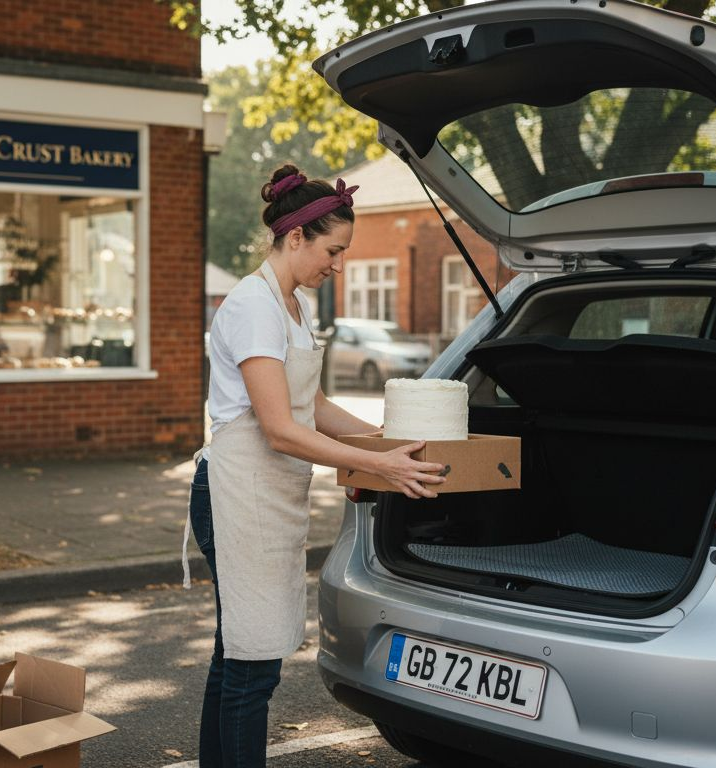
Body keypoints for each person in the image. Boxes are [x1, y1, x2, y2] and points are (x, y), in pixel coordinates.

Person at [184, 164, 447, 767]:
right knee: (252, 667)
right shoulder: (254, 306)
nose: (339, 265)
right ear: (296, 237)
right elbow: (280, 428)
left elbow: (314, 404)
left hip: (267, 491)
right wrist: (377, 466)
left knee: (238, 656)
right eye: (334, 250)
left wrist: (385, 439)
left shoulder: (295, 305)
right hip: (236, 492)